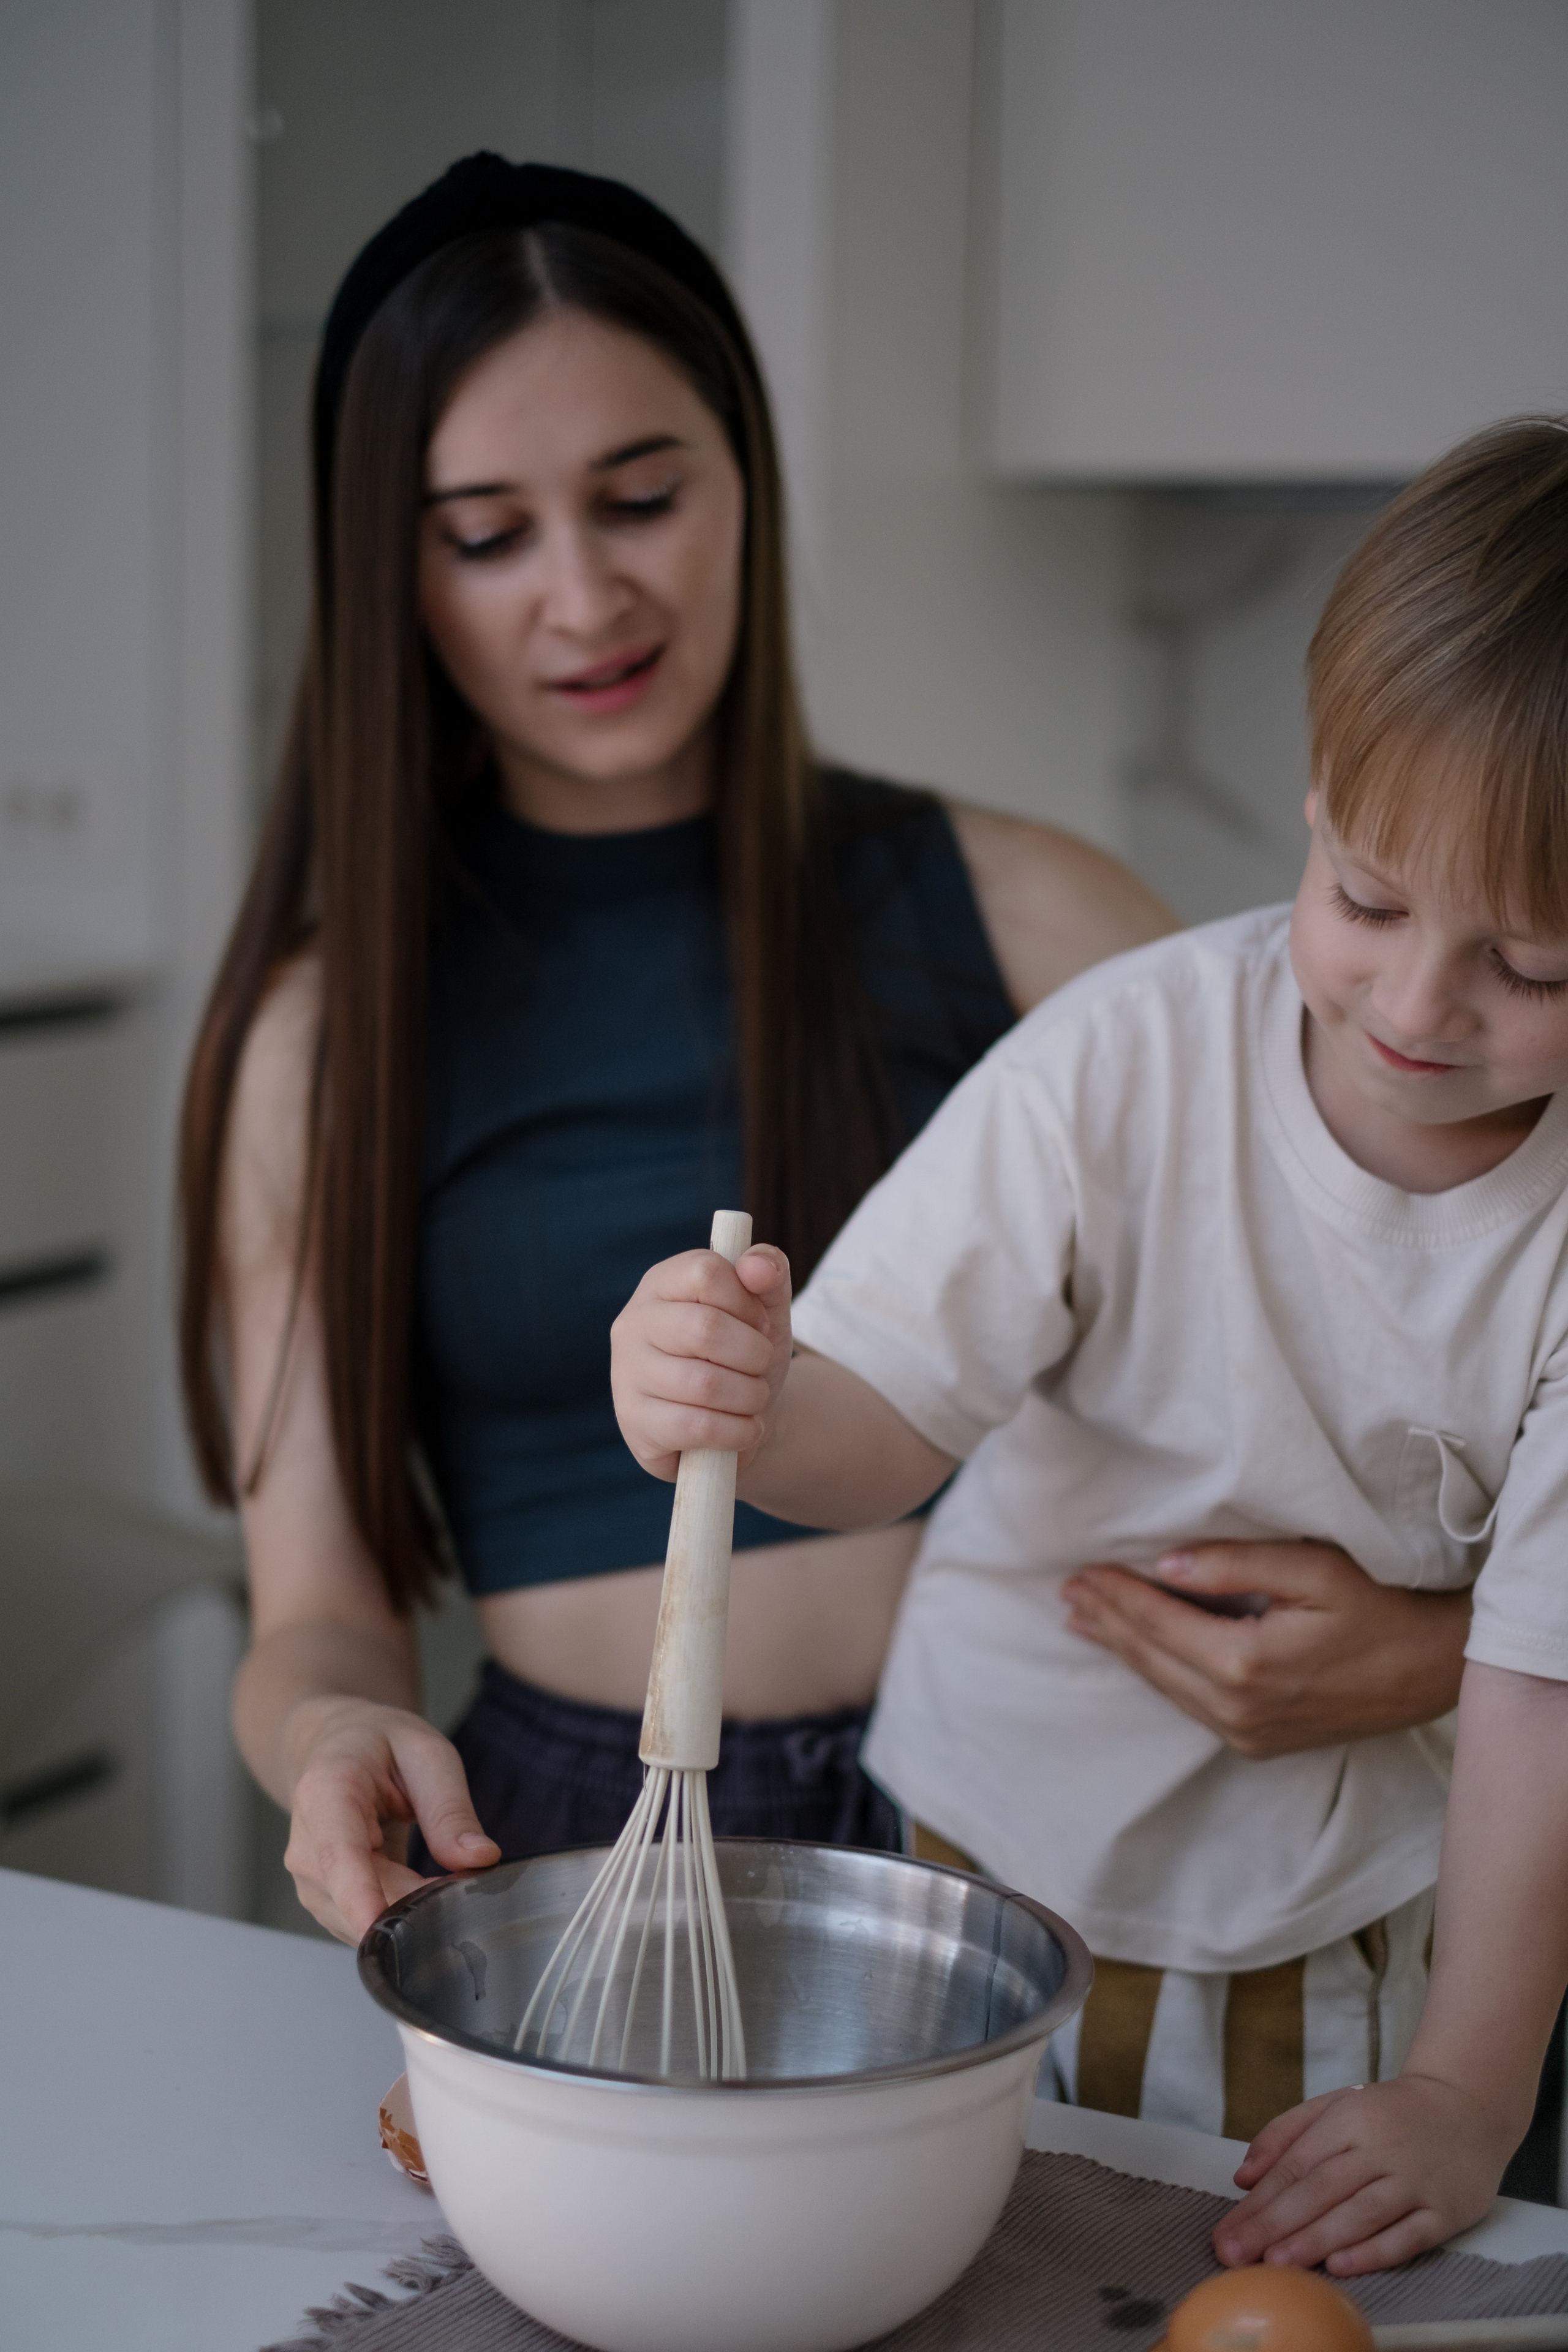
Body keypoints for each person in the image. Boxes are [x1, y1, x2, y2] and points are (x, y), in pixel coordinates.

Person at [178, 154, 1467, 1954]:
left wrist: (1441, 1661)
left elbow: (1431, 1338)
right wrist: (326, 1729)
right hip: (578, 1839)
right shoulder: (324, 1039)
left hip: (1057, 1819)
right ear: (388, 569)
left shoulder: (1038, 913)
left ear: (745, 483)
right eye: (485, 534)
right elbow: (315, 1610)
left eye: (640, 498)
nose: (582, 597)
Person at [611, 417, 1568, 2270]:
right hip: (981, 1845)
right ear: (1312, 808)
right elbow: (876, 1421)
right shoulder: (1124, 1061)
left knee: (1238, 2295)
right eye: (1368, 901)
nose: (1420, 1007)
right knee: (941, 2271)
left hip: (1339, 1917)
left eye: (1537, 970)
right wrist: (742, 1399)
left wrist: (1468, 2090)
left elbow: (1538, 1687)